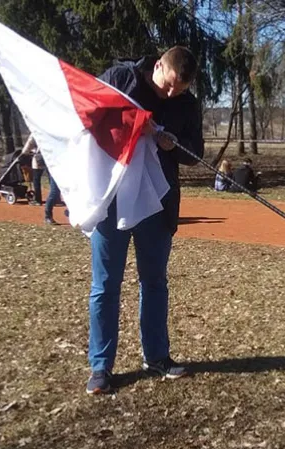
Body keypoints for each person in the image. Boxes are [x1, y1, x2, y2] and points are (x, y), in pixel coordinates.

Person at [85, 46, 203, 395]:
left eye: (177, 91)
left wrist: (173, 144)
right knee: (106, 284)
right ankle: (101, 367)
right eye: (167, 86)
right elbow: (88, 114)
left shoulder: (186, 105)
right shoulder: (123, 79)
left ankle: (157, 356)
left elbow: (195, 154)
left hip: (158, 204)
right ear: (157, 66)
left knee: (154, 282)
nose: (170, 95)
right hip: (113, 198)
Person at [21, 137, 45, 206]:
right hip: (50, 157)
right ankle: (56, 199)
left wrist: (25, 152)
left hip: (39, 158)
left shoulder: (35, 133)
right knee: (52, 179)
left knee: (36, 180)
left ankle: (38, 200)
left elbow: (28, 146)